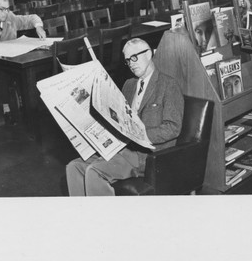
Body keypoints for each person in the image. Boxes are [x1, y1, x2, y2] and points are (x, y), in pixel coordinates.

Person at [66, 38, 184, 196]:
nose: (131, 63)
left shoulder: (168, 85)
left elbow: (173, 128)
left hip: (147, 156)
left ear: (149, 54)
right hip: (121, 149)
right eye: (128, 60)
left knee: (94, 171)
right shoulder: (129, 85)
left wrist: (140, 135)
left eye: (134, 57)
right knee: (73, 167)